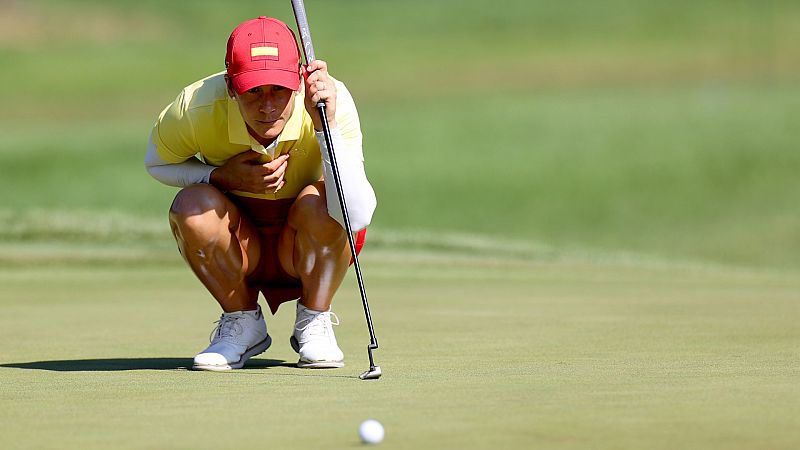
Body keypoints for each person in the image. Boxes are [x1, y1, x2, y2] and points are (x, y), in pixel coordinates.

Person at [144, 16, 376, 371]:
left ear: (299, 80)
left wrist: (322, 125)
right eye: (253, 91)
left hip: (304, 243)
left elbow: (355, 215)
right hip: (240, 240)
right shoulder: (195, 107)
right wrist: (219, 177)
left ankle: (315, 319)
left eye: (278, 90)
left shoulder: (331, 100)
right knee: (192, 206)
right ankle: (242, 324)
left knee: (323, 202)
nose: (267, 106)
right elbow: (157, 164)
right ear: (231, 86)